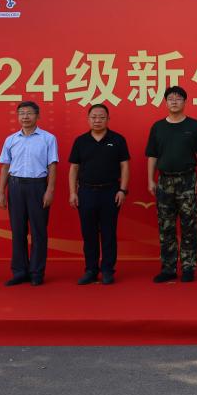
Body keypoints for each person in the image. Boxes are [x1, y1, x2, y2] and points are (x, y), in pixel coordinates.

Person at [145, 86, 197, 284]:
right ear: (166, 102)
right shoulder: (158, 127)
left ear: (185, 102)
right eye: (170, 98)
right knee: (166, 227)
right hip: (164, 181)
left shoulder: (195, 126)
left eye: (178, 98)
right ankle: (168, 268)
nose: (174, 101)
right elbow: (152, 155)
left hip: (188, 180)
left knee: (189, 226)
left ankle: (189, 267)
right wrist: (150, 179)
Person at [0, 100, 58, 286]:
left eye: (29, 113)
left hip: (37, 186)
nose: (25, 117)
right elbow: (5, 166)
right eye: (22, 113)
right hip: (15, 186)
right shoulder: (11, 139)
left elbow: (52, 165)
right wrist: (1, 191)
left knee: (39, 231)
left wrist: (50, 190)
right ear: (18, 117)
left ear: (37, 116)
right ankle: (19, 271)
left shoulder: (48, 138)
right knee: (18, 231)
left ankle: (36, 272)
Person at [68, 104, 130, 285]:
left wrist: (123, 190)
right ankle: (91, 270)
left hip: (110, 191)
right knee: (89, 234)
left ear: (108, 119)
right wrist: (73, 192)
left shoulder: (117, 139)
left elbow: (125, 166)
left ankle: (108, 270)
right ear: (88, 119)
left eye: (101, 117)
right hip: (86, 192)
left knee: (109, 232)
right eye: (94, 117)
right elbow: (74, 168)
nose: (97, 120)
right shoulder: (81, 141)